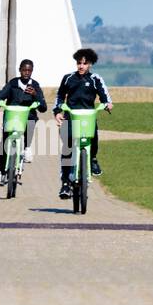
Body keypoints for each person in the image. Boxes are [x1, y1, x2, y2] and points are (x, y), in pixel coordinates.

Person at [52, 47, 112, 199]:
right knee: (68, 148)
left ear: (90, 64)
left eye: (84, 64)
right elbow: (59, 96)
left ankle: (92, 159)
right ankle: (65, 184)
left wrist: (107, 104)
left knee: (94, 139)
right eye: (79, 63)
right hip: (70, 117)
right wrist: (57, 112)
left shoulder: (95, 79)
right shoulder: (68, 78)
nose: (81, 66)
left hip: (87, 117)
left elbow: (104, 96)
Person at [0, 59, 46, 187]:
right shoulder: (13, 83)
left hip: (27, 116)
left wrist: (35, 94)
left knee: (31, 121)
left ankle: (26, 147)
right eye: (24, 70)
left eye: (29, 70)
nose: (26, 72)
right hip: (11, 117)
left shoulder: (35, 85)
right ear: (20, 70)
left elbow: (43, 107)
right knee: (4, 144)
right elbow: (1, 95)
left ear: (32, 71)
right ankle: (0, 173)